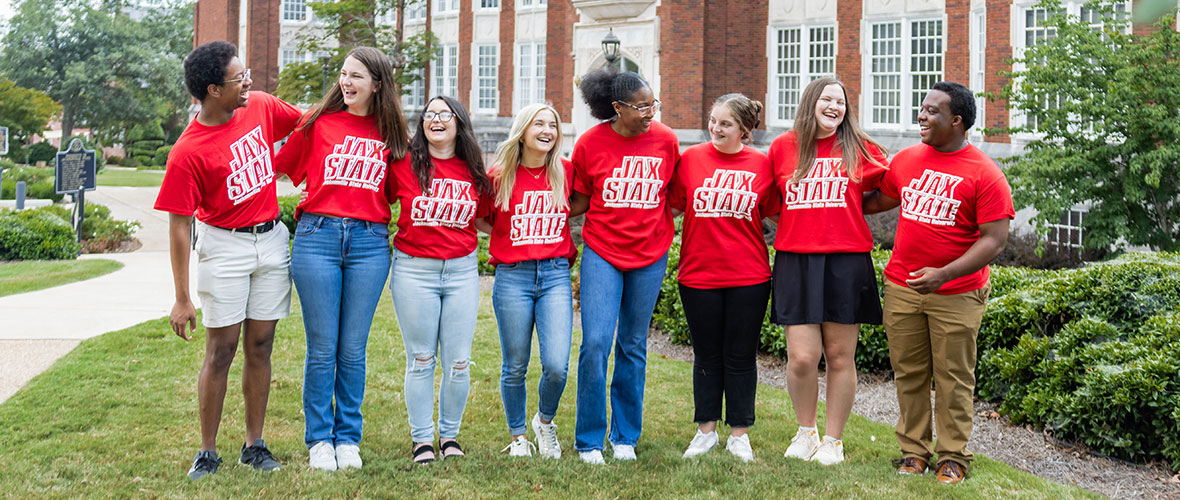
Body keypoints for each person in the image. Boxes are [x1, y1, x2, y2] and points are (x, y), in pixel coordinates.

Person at [155, 40, 302, 480]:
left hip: (272, 240)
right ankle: (208, 451)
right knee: (221, 351)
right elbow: (180, 226)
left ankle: (254, 445)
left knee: (261, 345)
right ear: (213, 90)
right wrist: (182, 298)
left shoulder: (259, 106)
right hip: (224, 247)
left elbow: (309, 122)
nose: (249, 82)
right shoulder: (187, 152)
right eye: (240, 77)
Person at [863, 81, 1013, 484]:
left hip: (958, 293)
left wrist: (945, 273)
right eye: (922, 108)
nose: (921, 116)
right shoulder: (908, 159)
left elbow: (995, 240)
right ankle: (914, 452)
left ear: (957, 121)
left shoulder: (985, 173)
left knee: (953, 378)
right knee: (909, 373)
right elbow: (878, 200)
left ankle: (953, 458)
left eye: (931, 111)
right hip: (903, 286)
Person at [273, 47, 410, 471]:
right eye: (343, 74)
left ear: (377, 84)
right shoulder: (319, 123)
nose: (346, 82)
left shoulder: (391, 135)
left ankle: (347, 437)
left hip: (369, 244)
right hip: (318, 238)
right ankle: (319, 440)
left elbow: (406, 189)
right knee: (322, 348)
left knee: (352, 349)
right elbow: (278, 167)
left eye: (357, 76)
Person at [769, 77, 889, 466]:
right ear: (811, 102)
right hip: (796, 260)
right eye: (827, 99)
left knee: (839, 357)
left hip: (846, 260)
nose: (835, 106)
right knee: (802, 357)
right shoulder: (783, 147)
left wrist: (853, 208)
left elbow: (890, 187)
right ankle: (806, 432)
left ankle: (833, 440)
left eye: (841, 101)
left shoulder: (859, 147)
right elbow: (772, 200)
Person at [570, 68, 680, 464]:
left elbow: (674, 193)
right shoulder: (589, 144)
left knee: (633, 344)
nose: (651, 112)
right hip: (602, 252)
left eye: (655, 104)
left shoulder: (666, 140)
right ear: (617, 108)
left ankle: (625, 437)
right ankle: (589, 439)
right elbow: (579, 200)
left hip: (651, 254)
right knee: (596, 343)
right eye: (642, 106)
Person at [671, 94, 779, 462]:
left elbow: (776, 212)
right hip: (698, 275)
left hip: (748, 276)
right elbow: (671, 205)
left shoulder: (762, 166)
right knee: (706, 355)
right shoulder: (690, 160)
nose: (715, 128)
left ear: (744, 131)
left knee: (740, 355)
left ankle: (739, 435)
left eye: (726, 123)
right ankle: (705, 432)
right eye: (713, 120)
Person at [387, 96, 490, 465]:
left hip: (461, 271)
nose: (436, 120)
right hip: (414, 271)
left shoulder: (474, 168)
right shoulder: (401, 164)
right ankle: (421, 441)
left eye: (444, 114)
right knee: (421, 359)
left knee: (459, 362)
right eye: (429, 114)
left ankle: (449, 436)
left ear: (458, 123)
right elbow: (374, 199)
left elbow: (487, 218)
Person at [473, 103, 574, 460]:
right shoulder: (499, 176)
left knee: (557, 365)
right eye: (539, 124)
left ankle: (544, 423)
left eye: (553, 125)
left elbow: (580, 204)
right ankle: (518, 436)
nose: (547, 130)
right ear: (523, 130)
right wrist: (508, 237)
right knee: (515, 364)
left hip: (555, 276)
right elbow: (482, 219)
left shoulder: (566, 172)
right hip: (513, 277)